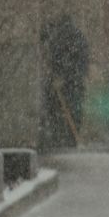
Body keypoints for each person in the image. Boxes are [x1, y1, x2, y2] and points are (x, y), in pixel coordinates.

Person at [40, 14, 90, 149]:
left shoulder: (58, 38)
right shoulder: (78, 37)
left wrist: (58, 76)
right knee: (74, 110)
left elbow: (55, 59)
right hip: (75, 81)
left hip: (63, 81)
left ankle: (60, 138)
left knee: (57, 111)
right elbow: (83, 60)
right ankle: (72, 138)